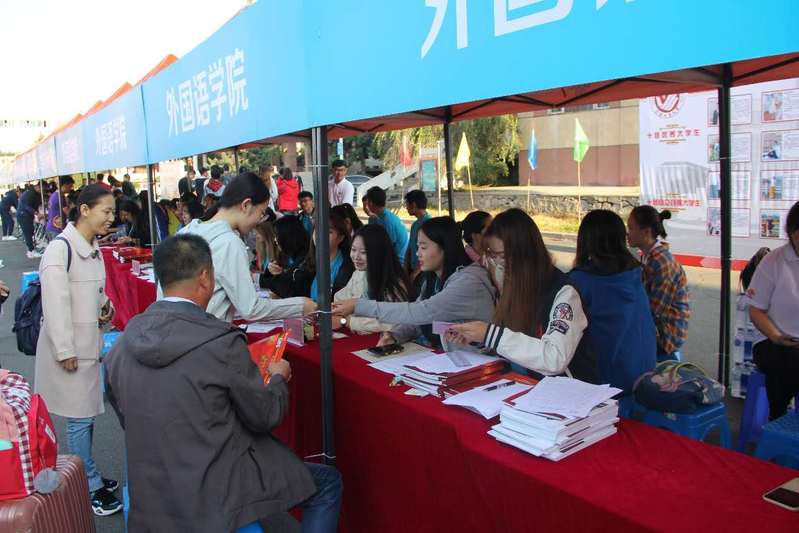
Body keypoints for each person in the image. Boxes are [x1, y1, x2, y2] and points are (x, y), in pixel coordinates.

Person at [104, 234, 342, 532]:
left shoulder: (121, 346)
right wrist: (278, 379)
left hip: (150, 489)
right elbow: (265, 416)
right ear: (205, 278)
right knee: (327, 484)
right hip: (216, 486)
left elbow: (125, 414)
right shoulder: (220, 343)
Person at [33, 184, 121, 516]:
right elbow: (55, 303)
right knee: (79, 419)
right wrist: (64, 349)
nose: (111, 218)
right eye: (106, 211)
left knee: (85, 415)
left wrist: (106, 308)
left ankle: (89, 472)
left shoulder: (91, 246)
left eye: (113, 212)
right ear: (84, 210)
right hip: (72, 348)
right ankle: (89, 485)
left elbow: (96, 292)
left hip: (87, 344)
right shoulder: (60, 249)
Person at [445, 209, 599, 383]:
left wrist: (490, 335)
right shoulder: (514, 285)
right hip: (525, 384)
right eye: (493, 256)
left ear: (526, 251)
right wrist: (478, 338)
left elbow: (554, 359)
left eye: (503, 256)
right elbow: (513, 343)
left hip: (568, 391)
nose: (499, 264)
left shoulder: (563, 292)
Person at [333, 216, 495, 349]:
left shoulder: (468, 282)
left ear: (445, 247)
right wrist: (395, 335)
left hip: (475, 360)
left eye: (423, 247)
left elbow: (420, 312)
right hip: (445, 356)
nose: (417, 253)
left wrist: (358, 306)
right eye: (417, 247)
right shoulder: (433, 279)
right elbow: (421, 322)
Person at [180, 172, 315, 322]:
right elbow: (251, 308)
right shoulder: (229, 242)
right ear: (246, 205)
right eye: (261, 213)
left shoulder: (187, 231)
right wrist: (301, 305)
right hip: (208, 330)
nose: (259, 221)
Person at [568, 210, 656, 393]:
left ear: (585, 240)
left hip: (607, 384)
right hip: (645, 374)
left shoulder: (581, 281)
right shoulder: (635, 273)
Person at [748, 201, 799, 419]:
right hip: (773, 341)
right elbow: (756, 311)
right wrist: (777, 336)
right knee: (789, 361)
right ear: (792, 232)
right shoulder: (774, 262)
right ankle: (778, 417)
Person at [627, 206, 691, 362]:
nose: (627, 233)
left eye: (631, 228)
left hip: (667, 336)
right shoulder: (649, 256)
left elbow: (653, 311)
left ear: (646, 231)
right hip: (659, 329)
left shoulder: (661, 262)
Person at [333, 224, 410, 334]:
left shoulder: (394, 284)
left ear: (379, 253)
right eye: (353, 250)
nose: (356, 257)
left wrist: (348, 321)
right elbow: (340, 299)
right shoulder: (359, 274)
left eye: (364, 252)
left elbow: (390, 324)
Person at [260, 216, 315, 298]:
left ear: (287, 236)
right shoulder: (295, 256)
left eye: (277, 236)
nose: (275, 240)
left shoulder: (306, 260)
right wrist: (269, 272)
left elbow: (287, 289)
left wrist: (270, 277)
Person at [310, 214, 354, 302]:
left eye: (328, 232)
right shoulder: (309, 262)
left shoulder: (347, 269)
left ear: (341, 238)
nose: (320, 235)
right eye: (317, 230)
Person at [364, 186, 408, 262]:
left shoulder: (388, 220)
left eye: (367, 202)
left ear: (370, 203)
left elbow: (388, 247)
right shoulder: (376, 217)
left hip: (396, 261)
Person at [404, 190, 432, 276]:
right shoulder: (415, 224)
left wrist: (415, 274)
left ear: (413, 205)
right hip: (413, 269)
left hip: (423, 272)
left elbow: (428, 253)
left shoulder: (428, 224)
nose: (406, 208)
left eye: (407, 204)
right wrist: (405, 268)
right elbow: (410, 248)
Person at [17, 182, 43, 258]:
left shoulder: (34, 193)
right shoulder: (30, 194)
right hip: (23, 215)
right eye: (42, 189)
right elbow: (27, 206)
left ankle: (31, 249)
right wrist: (37, 213)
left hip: (26, 215)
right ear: (38, 186)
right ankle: (31, 251)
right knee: (28, 232)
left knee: (30, 231)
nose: (42, 191)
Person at [45, 175, 75, 241]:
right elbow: (68, 213)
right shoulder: (60, 197)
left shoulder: (54, 194)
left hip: (51, 227)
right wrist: (72, 207)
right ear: (65, 185)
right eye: (70, 186)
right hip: (56, 229)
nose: (71, 188)